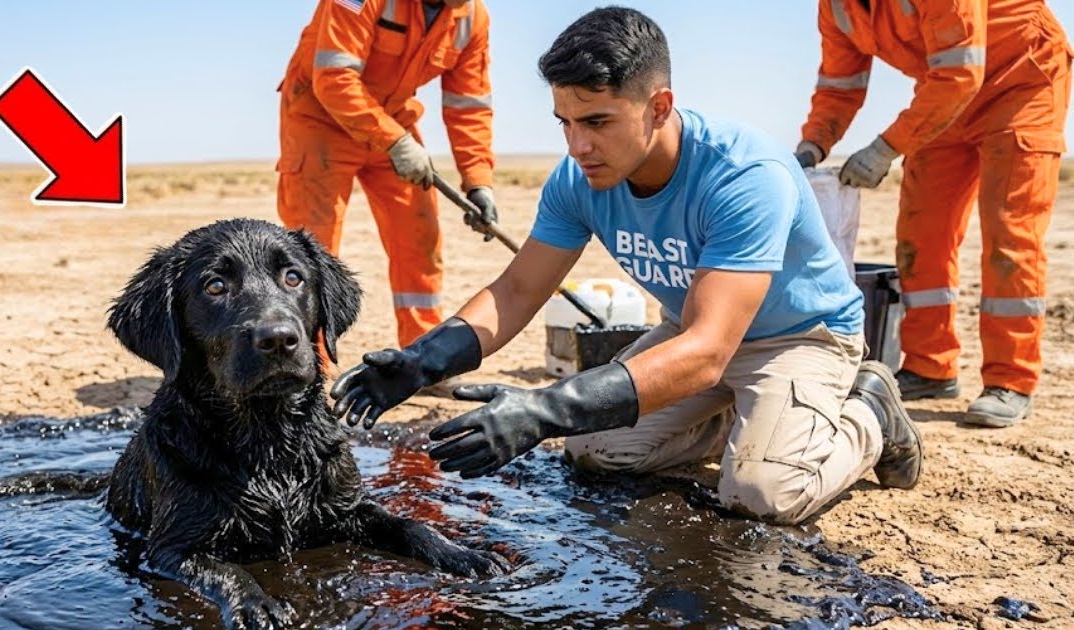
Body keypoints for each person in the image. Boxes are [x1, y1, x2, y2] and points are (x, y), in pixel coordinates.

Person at [330, 7, 925, 525]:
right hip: (692, 331)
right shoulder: (580, 178)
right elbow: (516, 289)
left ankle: (868, 412)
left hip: (798, 338)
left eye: (596, 122)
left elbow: (708, 349)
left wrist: (542, 408)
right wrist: (422, 361)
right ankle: (747, 422)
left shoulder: (742, 175)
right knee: (591, 450)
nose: (576, 145)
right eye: (563, 122)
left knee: (760, 493)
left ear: (658, 106)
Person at [795, 0, 1072, 428]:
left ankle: (1011, 380)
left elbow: (963, 71)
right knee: (920, 234)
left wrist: (884, 148)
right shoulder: (837, 8)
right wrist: (812, 147)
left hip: (1022, 78)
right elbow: (840, 85)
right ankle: (929, 367)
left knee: (1009, 233)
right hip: (943, 94)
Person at [277, 0, 497, 349]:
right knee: (311, 247)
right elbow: (334, 78)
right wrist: (394, 141)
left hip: (392, 123)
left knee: (418, 236)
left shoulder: (470, 17)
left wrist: (478, 180)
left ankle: (422, 354)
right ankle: (307, 363)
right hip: (319, 119)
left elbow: (468, 104)